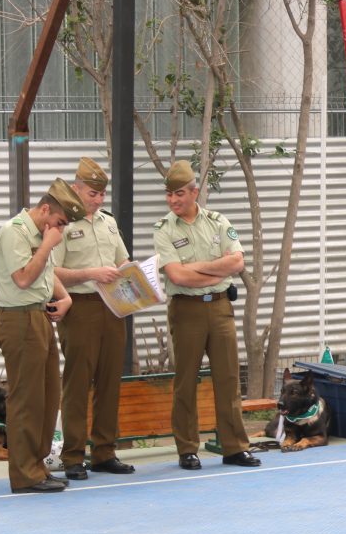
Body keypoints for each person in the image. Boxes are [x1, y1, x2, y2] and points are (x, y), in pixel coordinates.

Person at [153, 160, 260, 470]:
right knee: (185, 381)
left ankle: (234, 447)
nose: (173, 200)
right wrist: (216, 270)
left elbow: (237, 262)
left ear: (194, 192)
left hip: (220, 308)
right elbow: (177, 276)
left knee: (228, 379)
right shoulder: (164, 229)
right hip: (186, 310)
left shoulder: (217, 222)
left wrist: (198, 269)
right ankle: (188, 448)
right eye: (169, 195)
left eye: (180, 194)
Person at [0, 178, 85, 493]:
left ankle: (37, 465)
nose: (59, 230)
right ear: (45, 209)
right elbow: (22, 278)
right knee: (26, 400)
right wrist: (46, 245)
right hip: (19, 320)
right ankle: (24, 475)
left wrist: (66, 297)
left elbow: (46, 274)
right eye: (58, 222)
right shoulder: (15, 232)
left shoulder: (41, 234)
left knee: (47, 397)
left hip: (39, 316)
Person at [53, 158, 135, 481]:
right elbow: (53, 271)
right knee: (77, 382)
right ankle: (73, 455)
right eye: (92, 193)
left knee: (110, 380)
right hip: (81, 307)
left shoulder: (108, 223)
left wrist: (137, 279)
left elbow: (122, 260)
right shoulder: (64, 224)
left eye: (102, 194)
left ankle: (104, 451)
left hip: (112, 307)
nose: (98, 200)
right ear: (76, 189)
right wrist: (91, 274)